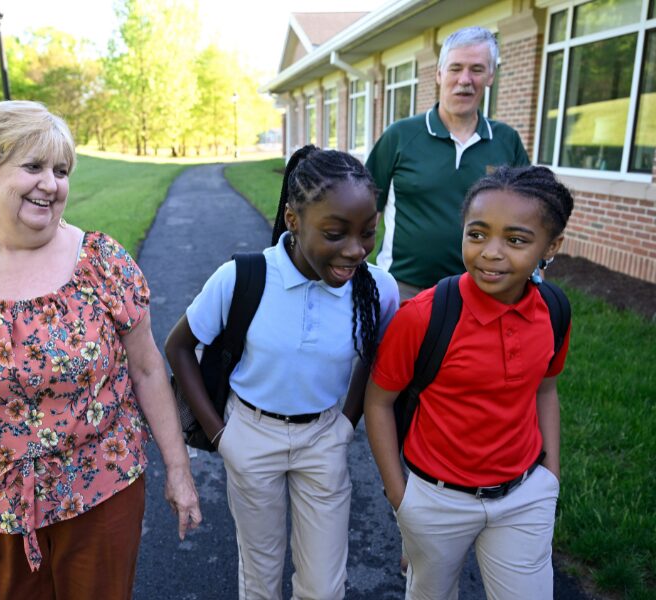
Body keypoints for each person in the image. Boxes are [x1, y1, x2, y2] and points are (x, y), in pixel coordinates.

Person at [0, 100, 201, 599]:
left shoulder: (101, 263)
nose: (51, 184)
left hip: (100, 492)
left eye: (60, 170)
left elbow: (145, 368)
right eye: (32, 167)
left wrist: (179, 470)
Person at [165, 146, 399, 599]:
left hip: (323, 439)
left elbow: (376, 358)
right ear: (293, 219)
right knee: (261, 576)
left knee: (324, 587)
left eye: (368, 233)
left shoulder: (377, 289)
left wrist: (346, 423)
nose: (355, 250)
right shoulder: (241, 277)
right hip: (250, 436)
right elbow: (178, 347)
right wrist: (220, 437)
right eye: (335, 233)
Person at [364, 165, 574, 599]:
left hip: (524, 495)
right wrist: (401, 499)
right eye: (477, 234)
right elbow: (379, 403)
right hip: (435, 502)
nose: (491, 253)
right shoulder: (424, 316)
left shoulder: (553, 310)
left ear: (551, 246)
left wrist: (550, 477)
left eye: (515, 240)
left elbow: (545, 389)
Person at [366, 26, 530, 300]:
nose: (465, 79)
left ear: (490, 76)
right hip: (402, 288)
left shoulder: (506, 141)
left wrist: (534, 276)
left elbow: (528, 216)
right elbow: (367, 210)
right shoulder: (400, 136)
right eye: (455, 68)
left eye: (476, 69)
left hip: (480, 291)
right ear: (440, 74)